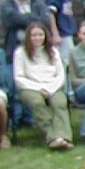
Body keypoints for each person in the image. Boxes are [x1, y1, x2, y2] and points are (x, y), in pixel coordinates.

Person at [2, 0, 54, 125]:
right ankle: (16, 119)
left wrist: (24, 19)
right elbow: (10, 20)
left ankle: (31, 118)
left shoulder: (38, 4)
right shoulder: (7, 5)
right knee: (16, 85)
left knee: (34, 83)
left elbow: (45, 22)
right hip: (14, 51)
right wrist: (34, 20)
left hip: (37, 53)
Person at [13, 21, 73, 150]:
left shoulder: (53, 51)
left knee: (59, 103)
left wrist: (50, 89)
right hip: (29, 87)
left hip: (52, 86)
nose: (37, 38)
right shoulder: (20, 52)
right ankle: (53, 137)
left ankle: (64, 137)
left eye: (40, 34)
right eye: (34, 35)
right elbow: (19, 77)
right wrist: (38, 89)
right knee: (37, 102)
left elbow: (60, 75)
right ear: (28, 37)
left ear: (45, 36)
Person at [44, 0, 79, 69]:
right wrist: (55, 34)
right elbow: (50, 13)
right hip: (62, 34)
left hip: (68, 33)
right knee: (65, 63)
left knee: (69, 62)